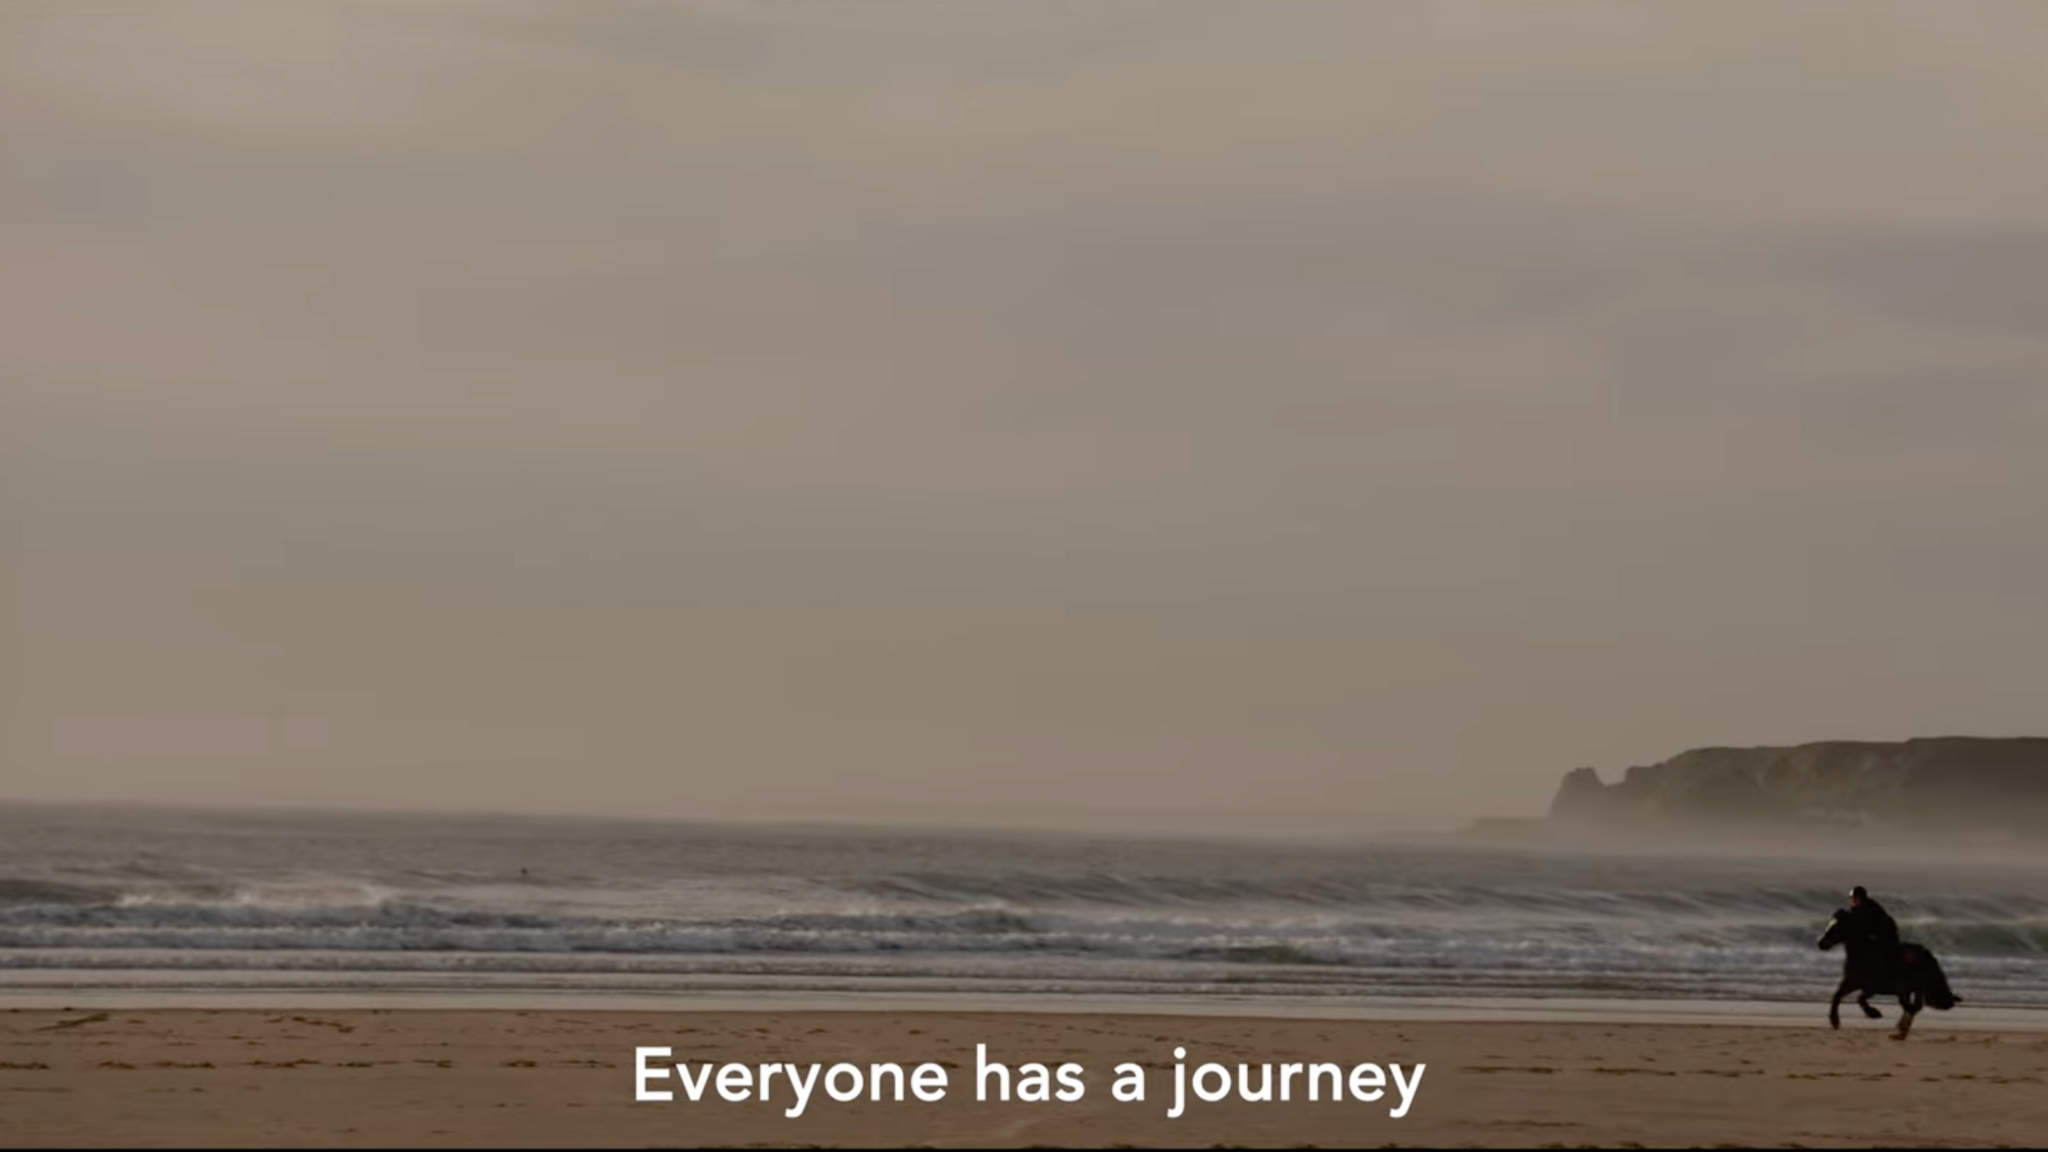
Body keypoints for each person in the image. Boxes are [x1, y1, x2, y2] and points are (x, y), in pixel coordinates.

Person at [1844, 885, 1901, 978]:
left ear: (1859, 898)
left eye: (1854, 899)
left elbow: (1871, 926)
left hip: (1886, 935)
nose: (1852, 901)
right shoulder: (1860, 908)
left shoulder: (1869, 908)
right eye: (1852, 899)